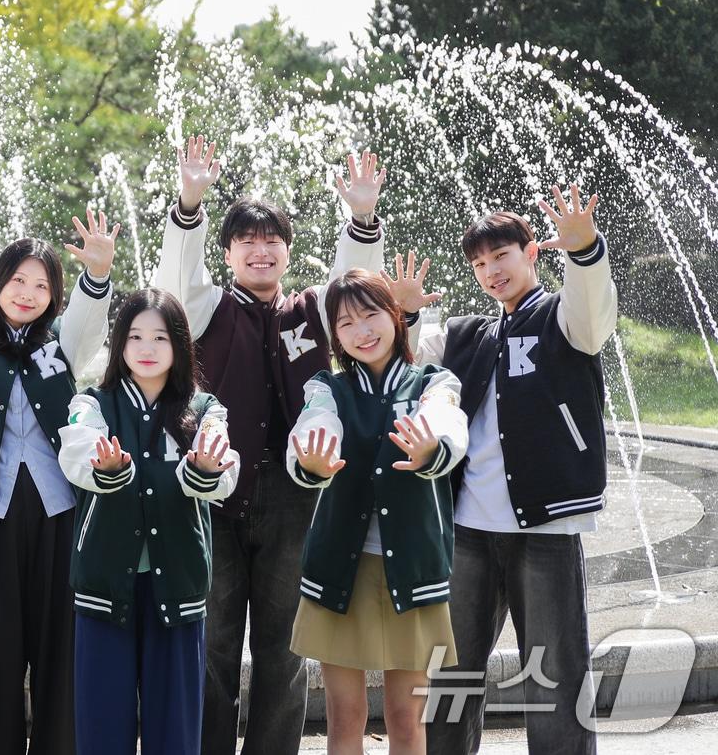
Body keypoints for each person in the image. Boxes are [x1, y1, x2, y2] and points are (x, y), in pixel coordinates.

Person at [152, 139, 386, 753]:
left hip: (292, 501)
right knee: (214, 644)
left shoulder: (309, 310)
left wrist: (361, 221)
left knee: (284, 648)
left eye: (271, 239)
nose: (260, 250)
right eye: (246, 241)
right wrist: (189, 205)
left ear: (287, 248)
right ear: (228, 252)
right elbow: (178, 276)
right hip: (215, 491)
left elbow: (355, 288)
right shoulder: (203, 311)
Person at [420, 186, 617, 755]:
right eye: (479, 264)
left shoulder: (560, 317)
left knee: (556, 679)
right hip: (468, 534)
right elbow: (389, 346)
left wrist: (585, 253)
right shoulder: (469, 336)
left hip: (545, 531)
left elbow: (594, 316)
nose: (490, 271)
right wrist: (400, 306)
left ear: (532, 254)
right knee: (451, 676)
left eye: (501, 256)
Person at [0, 206, 116, 755]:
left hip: (59, 514)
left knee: (62, 651)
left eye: (41, 284)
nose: (28, 293)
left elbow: (88, 320)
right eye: (17, 280)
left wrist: (98, 275)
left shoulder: (63, 344)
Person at [286, 266, 467, 755]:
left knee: (406, 718)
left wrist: (434, 446)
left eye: (370, 316)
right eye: (345, 324)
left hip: (411, 569)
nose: (361, 332)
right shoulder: (328, 388)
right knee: (345, 717)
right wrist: (309, 458)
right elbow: (313, 426)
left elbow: (445, 416)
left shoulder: (432, 380)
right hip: (339, 569)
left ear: (395, 315)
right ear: (335, 336)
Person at [59, 288, 240, 755]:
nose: (146, 347)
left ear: (180, 345)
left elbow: (223, 469)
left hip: (176, 589)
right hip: (104, 589)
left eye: (160, 337)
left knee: (175, 731)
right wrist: (106, 470)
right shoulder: (93, 402)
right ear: (119, 344)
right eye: (134, 336)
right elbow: (77, 449)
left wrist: (204, 468)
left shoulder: (204, 409)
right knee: (101, 729)